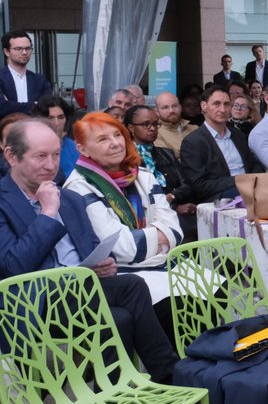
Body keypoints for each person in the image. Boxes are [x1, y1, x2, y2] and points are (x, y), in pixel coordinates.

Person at [0, 119, 177, 404]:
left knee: (125, 311)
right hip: (30, 307)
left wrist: (99, 266)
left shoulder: (70, 198)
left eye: (54, 155)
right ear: (11, 156)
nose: (51, 165)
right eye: (40, 157)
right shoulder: (12, 201)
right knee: (131, 291)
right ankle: (171, 379)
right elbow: (13, 268)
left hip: (80, 296)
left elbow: (83, 256)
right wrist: (47, 213)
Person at [64, 112, 182, 314]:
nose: (116, 143)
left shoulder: (141, 176)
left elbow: (175, 231)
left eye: (117, 135)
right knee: (175, 307)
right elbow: (123, 249)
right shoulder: (79, 187)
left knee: (219, 291)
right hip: (125, 275)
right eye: (103, 139)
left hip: (164, 265)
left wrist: (151, 239)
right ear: (83, 149)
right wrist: (159, 236)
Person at [179, 85, 265, 204]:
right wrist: (237, 181)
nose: (223, 109)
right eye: (216, 104)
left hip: (251, 189)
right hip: (220, 198)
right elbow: (199, 186)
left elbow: (253, 164)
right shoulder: (193, 142)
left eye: (226, 104)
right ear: (204, 106)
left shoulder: (238, 135)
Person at [124, 105, 196, 242]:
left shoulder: (166, 153)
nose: (152, 128)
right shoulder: (125, 158)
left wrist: (171, 197)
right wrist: (173, 207)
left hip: (175, 209)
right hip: (147, 218)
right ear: (131, 128)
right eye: (146, 124)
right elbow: (135, 196)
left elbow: (187, 185)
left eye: (155, 124)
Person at [0, 30, 53, 117]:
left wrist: (10, 104)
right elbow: (2, 108)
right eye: (18, 49)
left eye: (28, 48)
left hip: (35, 129)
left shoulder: (39, 80)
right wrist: (36, 104)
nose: (24, 52)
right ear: (7, 52)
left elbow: (48, 107)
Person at [33, 94, 79, 180]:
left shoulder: (72, 146)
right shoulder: (32, 148)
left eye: (61, 117)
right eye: (50, 118)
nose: (56, 123)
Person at [154, 91, 198, 157]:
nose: (171, 110)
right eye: (165, 107)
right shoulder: (155, 133)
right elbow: (168, 161)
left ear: (180, 107)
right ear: (157, 111)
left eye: (174, 106)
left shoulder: (194, 128)